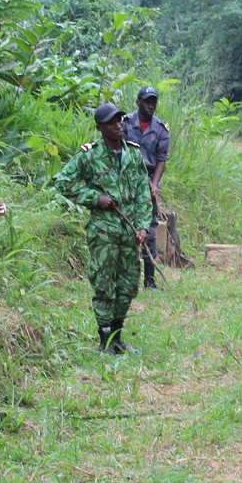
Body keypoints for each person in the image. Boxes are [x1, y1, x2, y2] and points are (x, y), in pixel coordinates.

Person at [55, 103, 153, 355]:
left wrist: (143, 227)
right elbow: (63, 182)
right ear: (100, 127)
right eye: (111, 122)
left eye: (120, 119)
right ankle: (104, 339)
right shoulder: (89, 155)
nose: (118, 124)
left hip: (130, 232)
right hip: (103, 231)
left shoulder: (133, 153)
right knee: (104, 283)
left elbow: (143, 192)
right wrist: (94, 197)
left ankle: (118, 337)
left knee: (129, 284)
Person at [122, 85, 170, 290]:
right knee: (124, 224)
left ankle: (149, 280)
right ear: (138, 102)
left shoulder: (160, 129)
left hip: (148, 181)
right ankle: (124, 275)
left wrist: (155, 184)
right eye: (147, 101)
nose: (151, 105)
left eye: (154, 102)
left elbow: (161, 159)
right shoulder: (124, 123)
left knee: (149, 227)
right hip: (126, 179)